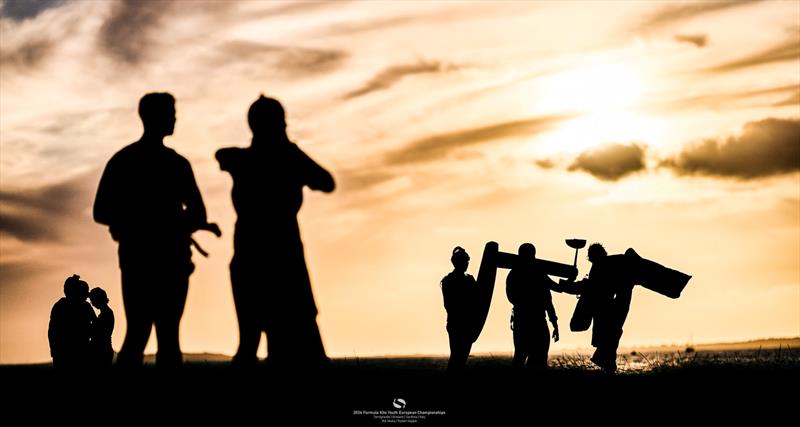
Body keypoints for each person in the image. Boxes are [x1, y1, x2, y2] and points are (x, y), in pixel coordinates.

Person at [93, 92, 220, 368]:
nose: (175, 117)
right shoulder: (172, 164)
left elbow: (199, 214)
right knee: (149, 335)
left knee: (154, 335)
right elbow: (100, 211)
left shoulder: (127, 160)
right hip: (154, 258)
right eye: (170, 112)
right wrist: (162, 223)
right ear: (154, 116)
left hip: (153, 257)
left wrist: (136, 223)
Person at [216, 95, 334, 367]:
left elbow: (326, 182)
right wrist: (289, 152)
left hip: (258, 249)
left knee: (258, 334)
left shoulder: (247, 159)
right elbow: (325, 181)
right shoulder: (284, 156)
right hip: (278, 250)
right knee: (275, 327)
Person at [554, 243, 634, 373]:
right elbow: (588, 286)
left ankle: (608, 369)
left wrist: (567, 284)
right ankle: (608, 369)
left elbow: (590, 287)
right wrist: (568, 283)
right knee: (608, 344)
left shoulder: (601, 268)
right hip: (607, 311)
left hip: (605, 312)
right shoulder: (606, 267)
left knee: (607, 344)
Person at [506, 243, 559, 369]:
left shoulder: (513, 274)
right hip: (537, 321)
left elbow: (511, 297)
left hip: (521, 320)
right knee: (538, 360)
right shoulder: (539, 273)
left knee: (520, 357)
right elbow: (552, 295)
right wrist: (555, 324)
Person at [440, 246, 477, 372]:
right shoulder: (448, 281)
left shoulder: (469, 280)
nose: (466, 264)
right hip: (457, 324)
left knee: (461, 357)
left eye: (467, 262)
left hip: (465, 324)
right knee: (457, 356)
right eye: (464, 262)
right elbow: (448, 305)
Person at [48, 274, 96, 370]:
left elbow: (52, 331)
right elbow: (53, 331)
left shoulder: (60, 306)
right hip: (68, 353)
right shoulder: (62, 306)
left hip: (79, 352)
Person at [89, 287, 115, 368]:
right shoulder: (106, 312)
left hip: (102, 350)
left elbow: (98, 331)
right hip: (105, 349)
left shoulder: (106, 313)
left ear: (98, 299)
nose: (92, 303)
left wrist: (92, 315)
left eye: (92, 300)